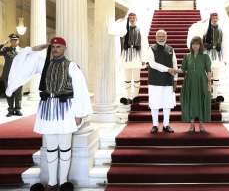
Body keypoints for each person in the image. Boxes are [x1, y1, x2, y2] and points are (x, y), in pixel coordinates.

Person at [6, 37, 92, 191]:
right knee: (51, 148)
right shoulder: (43, 64)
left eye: (58, 46)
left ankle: (63, 182)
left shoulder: (71, 66)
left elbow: (80, 90)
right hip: (47, 109)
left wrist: (79, 113)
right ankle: (52, 183)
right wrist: (36, 48)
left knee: (65, 147)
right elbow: (20, 60)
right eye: (53, 47)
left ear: (64, 48)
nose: (55, 49)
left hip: (65, 109)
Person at [109, 12, 148, 105]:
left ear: (136, 18)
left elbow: (144, 45)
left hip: (136, 56)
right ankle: (128, 97)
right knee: (127, 78)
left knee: (136, 78)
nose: (132, 19)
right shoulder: (123, 30)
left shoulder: (141, 30)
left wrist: (144, 59)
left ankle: (135, 96)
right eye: (130, 17)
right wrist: (119, 21)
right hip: (126, 56)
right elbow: (111, 30)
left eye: (133, 17)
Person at [148, 29, 178, 134]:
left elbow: (175, 65)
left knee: (167, 104)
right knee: (154, 103)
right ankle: (155, 125)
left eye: (163, 36)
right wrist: (167, 69)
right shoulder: (151, 48)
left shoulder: (170, 49)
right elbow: (152, 64)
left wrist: (175, 79)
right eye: (159, 36)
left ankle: (166, 125)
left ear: (166, 37)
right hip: (154, 80)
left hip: (168, 81)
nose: (161, 38)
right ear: (156, 37)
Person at [180, 36, 212, 133]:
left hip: (202, 81)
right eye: (193, 44)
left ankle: (201, 124)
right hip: (189, 82)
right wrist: (173, 70)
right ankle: (192, 124)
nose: (195, 46)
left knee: (201, 101)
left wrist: (209, 83)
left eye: (197, 44)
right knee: (191, 101)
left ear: (200, 45)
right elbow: (183, 69)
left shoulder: (205, 56)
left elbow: (209, 71)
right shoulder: (187, 56)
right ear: (191, 45)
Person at [202, 13, 224, 102]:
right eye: (213, 17)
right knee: (208, 76)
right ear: (210, 18)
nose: (214, 19)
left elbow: (222, 42)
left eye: (216, 17)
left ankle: (214, 96)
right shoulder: (206, 30)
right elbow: (203, 42)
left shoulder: (220, 30)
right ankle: (207, 94)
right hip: (208, 55)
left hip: (217, 56)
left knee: (216, 76)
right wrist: (207, 45)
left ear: (218, 19)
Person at [0, 33, 23, 117]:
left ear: (18, 41)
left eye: (15, 40)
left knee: (18, 93)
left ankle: (17, 109)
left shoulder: (22, 50)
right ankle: (10, 110)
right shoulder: (6, 49)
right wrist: (3, 43)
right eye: (12, 40)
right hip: (8, 75)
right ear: (10, 41)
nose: (14, 41)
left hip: (18, 76)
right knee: (9, 93)